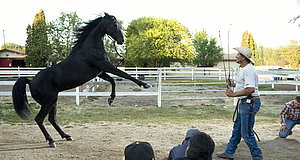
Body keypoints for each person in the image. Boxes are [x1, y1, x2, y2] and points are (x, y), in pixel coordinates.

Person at [216, 46, 263, 160]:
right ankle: (229, 152)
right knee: (237, 130)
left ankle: (258, 157)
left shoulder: (248, 70)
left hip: (249, 103)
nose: (236, 56)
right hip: (245, 103)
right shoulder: (244, 69)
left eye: (238, 54)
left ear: (243, 57)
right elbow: (244, 86)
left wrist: (233, 94)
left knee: (246, 133)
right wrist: (233, 85)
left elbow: (250, 89)